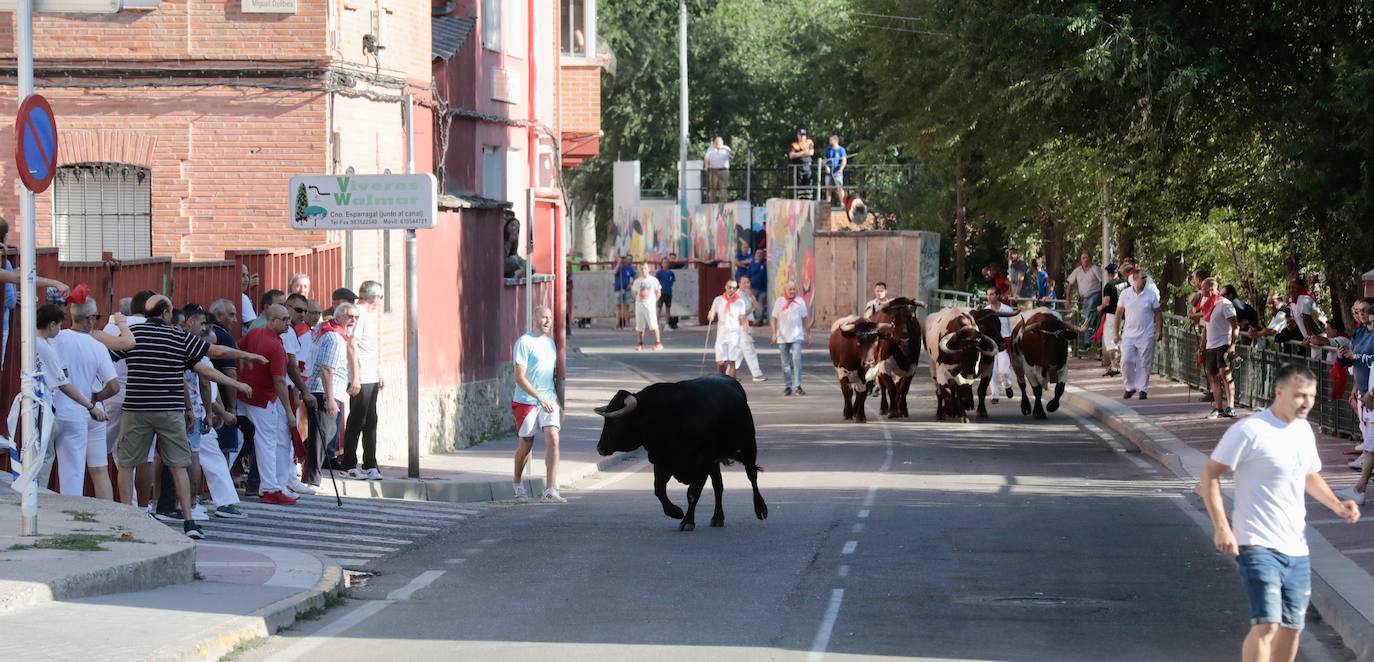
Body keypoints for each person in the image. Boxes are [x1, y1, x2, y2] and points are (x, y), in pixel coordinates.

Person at [1198, 364, 1358, 662]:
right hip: (1256, 543)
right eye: (1299, 395)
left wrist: (1337, 505)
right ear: (1279, 392)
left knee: (1292, 628)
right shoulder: (1250, 430)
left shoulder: (1303, 431)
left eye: (1310, 396)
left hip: (1296, 547)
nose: (1306, 402)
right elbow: (1209, 475)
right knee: (1267, 623)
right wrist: (1221, 527)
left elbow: (1309, 475)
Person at [109, 295, 259, 539]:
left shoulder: (133, 334)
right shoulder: (179, 337)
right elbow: (214, 355)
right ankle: (189, 520)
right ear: (167, 312)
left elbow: (110, 357)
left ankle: (130, 517)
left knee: (128, 464)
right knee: (179, 464)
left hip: (136, 408)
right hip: (170, 410)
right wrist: (247, 358)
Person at [31, 303, 111, 496]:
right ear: (51, 325)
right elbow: (64, 384)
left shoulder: (35, 342)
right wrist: (92, 405)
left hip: (40, 406)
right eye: (58, 325)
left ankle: (36, 499)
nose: (60, 329)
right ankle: (41, 501)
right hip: (57, 409)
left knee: (41, 456)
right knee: (60, 464)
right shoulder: (47, 346)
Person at [50, 294, 120, 500]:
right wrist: (96, 398)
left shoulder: (56, 338)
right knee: (99, 470)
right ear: (89, 318)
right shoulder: (97, 346)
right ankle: (105, 517)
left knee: (65, 467)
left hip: (63, 410)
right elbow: (114, 386)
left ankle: (65, 513)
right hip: (91, 412)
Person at [237, 304, 298, 505]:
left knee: (237, 440)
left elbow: (238, 348)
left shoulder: (255, 333)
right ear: (272, 321)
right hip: (262, 399)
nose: (288, 322)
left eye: (289, 318)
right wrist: (289, 411)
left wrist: (243, 367)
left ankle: (214, 485)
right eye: (284, 319)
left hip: (244, 392)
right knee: (267, 442)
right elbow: (280, 381)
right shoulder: (277, 347)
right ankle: (270, 488)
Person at [511, 305, 565, 504]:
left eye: (550, 318)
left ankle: (550, 489)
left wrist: (560, 404)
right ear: (534, 318)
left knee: (553, 437)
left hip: (548, 400)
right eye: (544, 317)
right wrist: (538, 397)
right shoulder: (524, 343)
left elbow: (553, 377)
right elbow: (519, 377)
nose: (548, 321)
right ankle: (517, 484)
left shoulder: (550, 343)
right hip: (526, 402)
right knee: (526, 445)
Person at [307, 302, 355, 489]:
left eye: (356, 317)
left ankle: (307, 468)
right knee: (323, 435)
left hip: (328, 390)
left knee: (325, 434)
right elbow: (327, 369)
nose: (353, 320)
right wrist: (330, 399)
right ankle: (312, 478)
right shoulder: (335, 338)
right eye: (349, 316)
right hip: (325, 391)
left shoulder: (331, 332)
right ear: (338, 317)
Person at [342, 280, 384, 481]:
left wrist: (379, 372)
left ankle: (370, 463)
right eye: (380, 297)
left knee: (371, 421)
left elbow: (370, 348)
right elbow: (352, 344)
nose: (381, 301)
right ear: (374, 297)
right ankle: (349, 462)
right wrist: (356, 377)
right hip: (362, 376)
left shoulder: (366, 315)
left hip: (371, 375)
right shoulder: (358, 313)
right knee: (357, 420)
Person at [1114, 268, 1163, 400]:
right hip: (1129, 334)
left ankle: (1143, 389)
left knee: (1144, 363)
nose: (1145, 280)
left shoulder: (1150, 294)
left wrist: (1159, 330)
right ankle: (1130, 387)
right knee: (1126, 360)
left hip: (1146, 334)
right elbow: (1118, 314)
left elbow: (1158, 313)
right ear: (1135, 279)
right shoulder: (1125, 294)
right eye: (1143, 278)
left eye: (1145, 278)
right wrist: (1116, 332)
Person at [1201, 278, 1239, 419]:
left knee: (1225, 374)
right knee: (1213, 376)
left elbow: (1235, 326)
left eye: (1203, 288)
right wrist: (1202, 346)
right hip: (1211, 345)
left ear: (1211, 289)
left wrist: (1233, 345)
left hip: (1224, 343)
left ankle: (1230, 406)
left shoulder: (1225, 304)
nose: (1201, 291)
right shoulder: (1206, 304)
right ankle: (1218, 408)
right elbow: (1206, 326)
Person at [771, 280, 811, 396]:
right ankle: (788, 386)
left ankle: (798, 386)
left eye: (794, 289)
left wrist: (808, 334)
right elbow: (773, 318)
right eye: (790, 289)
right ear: (785, 290)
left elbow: (805, 319)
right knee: (785, 363)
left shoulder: (800, 302)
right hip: (782, 337)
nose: (792, 291)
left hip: (797, 336)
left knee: (796, 360)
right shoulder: (779, 302)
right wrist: (774, 333)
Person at [708, 280, 748, 378]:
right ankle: (721, 381)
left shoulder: (740, 302)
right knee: (720, 361)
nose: (732, 290)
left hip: (734, 333)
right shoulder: (718, 300)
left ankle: (732, 383)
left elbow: (743, 318)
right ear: (725, 287)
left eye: (734, 288)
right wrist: (711, 315)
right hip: (722, 333)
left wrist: (746, 332)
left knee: (732, 361)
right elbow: (712, 311)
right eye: (730, 287)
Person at [1065, 252, 1104, 347]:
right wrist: (1068, 299)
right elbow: (1070, 284)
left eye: (1087, 258)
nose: (1085, 260)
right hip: (1085, 298)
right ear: (1081, 260)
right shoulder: (1077, 271)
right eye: (1083, 258)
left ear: (1090, 259)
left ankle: (1088, 342)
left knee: (1087, 316)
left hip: (1095, 295)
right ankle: (1094, 341)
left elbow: (1103, 282)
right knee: (1090, 318)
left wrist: (1104, 297)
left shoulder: (1095, 269)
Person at [985, 288, 1016, 402]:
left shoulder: (1007, 309)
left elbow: (1012, 327)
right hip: (990, 343)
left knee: (1004, 370)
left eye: (992, 294)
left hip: (1004, 342)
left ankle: (1007, 385)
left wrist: (1012, 343)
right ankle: (995, 395)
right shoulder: (986, 310)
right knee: (991, 371)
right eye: (988, 295)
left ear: (998, 295)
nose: (989, 297)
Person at [736, 276, 768, 382]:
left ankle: (729, 373)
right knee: (750, 351)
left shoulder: (747, 295)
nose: (746, 285)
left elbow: (756, 306)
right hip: (741, 326)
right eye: (744, 283)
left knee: (738, 353)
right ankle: (756, 374)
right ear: (739, 284)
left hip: (747, 325)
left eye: (748, 282)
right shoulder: (738, 296)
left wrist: (752, 297)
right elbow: (742, 315)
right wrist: (747, 332)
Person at [1096, 264, 1125, 377]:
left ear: (1109, 274)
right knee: (1121, 339)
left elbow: (1106, 302)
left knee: (1110, 340)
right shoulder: (1126, 283)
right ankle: (1123, 365)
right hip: (1124, 315)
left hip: (1112, 315)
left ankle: (1114, 366)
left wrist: (1100, 307)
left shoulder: (1108, 285)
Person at [631, 263, 663, 352]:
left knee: (653, 324)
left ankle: (658, 343)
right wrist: (637, 300)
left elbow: (658, 293)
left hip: (650, 306)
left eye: (645, 268)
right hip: (640, 305)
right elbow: (634, 293)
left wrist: (653, 302)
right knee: (639, 326)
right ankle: (640, 343)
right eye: (641, 269)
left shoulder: (654, 280)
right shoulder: (637, 281)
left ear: (649, 269)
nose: (643, 270)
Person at [704, 136, 734, 203]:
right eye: (716, 142)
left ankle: (723, 202)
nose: (717, 143)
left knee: (723, 187)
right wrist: (706, 166)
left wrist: (725, 150)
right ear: (714, 142)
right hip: (713, 170)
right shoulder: (710, 148)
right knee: (712, 187)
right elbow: (706, 157)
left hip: (724, 170)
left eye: (719, 142)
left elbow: (732, 156)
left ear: (722, 142)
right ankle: (712, 202)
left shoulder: (726, 148)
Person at [788, 129, 815, 199]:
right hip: (798, 167)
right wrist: (803, 153)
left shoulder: (809, 142)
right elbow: (791, 155)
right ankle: (800, 200)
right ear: (798, 136)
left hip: (808, 166)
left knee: (808, 184)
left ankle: (808, 199)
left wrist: (797, 154)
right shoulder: (794, 145)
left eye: (804, 135)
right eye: (801, 135)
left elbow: (811, 153)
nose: (802, 137)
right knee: (799, 185)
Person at [823, 135, 848, 207]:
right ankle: (828, 203)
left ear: (836, 140)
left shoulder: (841, 150)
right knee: (828, 188)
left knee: (839, 188)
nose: (829, 141)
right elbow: (825, 160)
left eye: (831, 140)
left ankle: (843, 204)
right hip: (829, 172)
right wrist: (826, 167)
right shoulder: (828, 150)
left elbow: (844, 160)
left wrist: (841, 169)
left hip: (837, 172)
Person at [654, 257, 678, 330]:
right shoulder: (659, 273)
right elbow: (655, 282)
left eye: (667, 262)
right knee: (659, 309)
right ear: (661, 264)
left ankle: (667, 325)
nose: (666, 264)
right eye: (664, 262)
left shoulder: (671, 273)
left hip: (668, 293)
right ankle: (656, 324)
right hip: (661, 293)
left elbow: (672, 282)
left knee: (668, 309)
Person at [613, 255, 635, 330]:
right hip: (618, 289)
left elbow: (635, 276)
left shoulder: (629, 268)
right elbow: (613, 273)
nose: (624, 261)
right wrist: (618, 264)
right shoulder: (618, 267)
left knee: (626, 307)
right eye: (622, 259)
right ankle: (617, 323)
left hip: (627, 290)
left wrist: (631, 284)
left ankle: (627, 324)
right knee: (618, 307)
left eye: (624, 259)